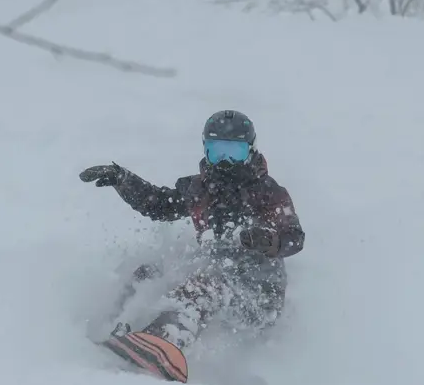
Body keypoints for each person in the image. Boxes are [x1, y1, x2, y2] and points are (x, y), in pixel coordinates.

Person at [79, 110, 305, 351]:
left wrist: (269, 240)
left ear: (250, 151)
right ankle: (114, 332)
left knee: (206, 284)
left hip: (258, 296)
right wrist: (123, 180)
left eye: (234, 153)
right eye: (218, 152)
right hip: (217, 280)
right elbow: (160, 204)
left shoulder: (268, 193)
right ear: (205, 150)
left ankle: (165, 342)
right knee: (150, 273)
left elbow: (294, 237)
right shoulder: (199, 188)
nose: (226, 162)